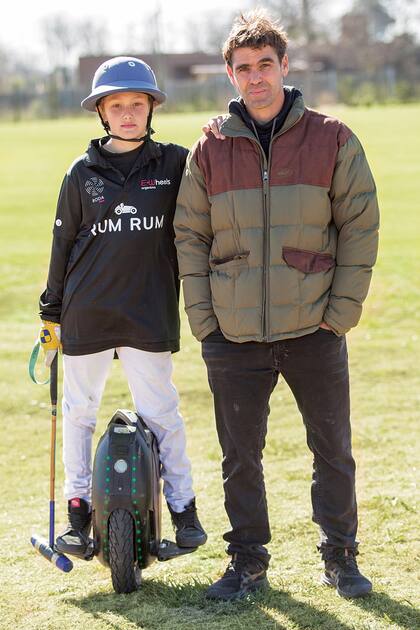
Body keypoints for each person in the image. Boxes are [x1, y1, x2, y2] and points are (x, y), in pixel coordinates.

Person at [174, 9, 379, 601]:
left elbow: (360, 225)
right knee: (240, 458)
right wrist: (204, 320)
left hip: (314, 325)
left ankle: (340, 556)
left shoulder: (332, 136)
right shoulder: (210, 147)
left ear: (285, 67)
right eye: (244, 68)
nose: (256, 76)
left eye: (266, 64)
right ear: (230, 76)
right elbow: (189, 235)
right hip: (233, 335)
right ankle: (246, 561)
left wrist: (340, 312)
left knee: (333, 450)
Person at [38, 56, 207, 558]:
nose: (129, 113)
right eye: (118, 105)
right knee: (79, 413)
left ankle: (184, 510)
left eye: (138, 103)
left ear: (151, 107)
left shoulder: (175, 163)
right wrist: (52, 311)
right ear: (102, 113)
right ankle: (76, 514)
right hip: (87, 309)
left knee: (162, 413)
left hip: (147, 309)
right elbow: (61, 243)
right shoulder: (80, 172)